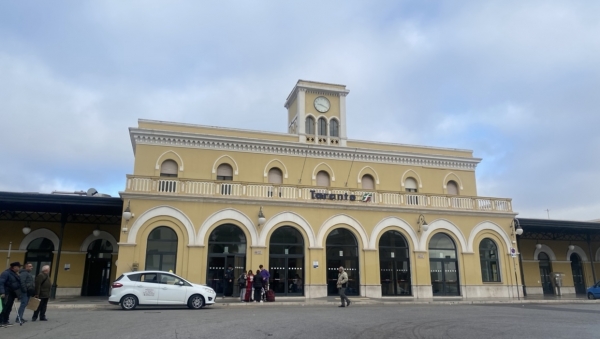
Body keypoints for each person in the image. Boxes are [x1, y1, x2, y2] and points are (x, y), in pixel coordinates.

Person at [0, 262, 25, 327]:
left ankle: (6, 320)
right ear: (14, 267)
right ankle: (1, 321)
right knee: (5, 307)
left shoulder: (15, 274)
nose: (19, 268)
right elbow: (1, 283)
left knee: (9, 308)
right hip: (6, 293)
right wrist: (2, 292)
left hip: (12, 293)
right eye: (18, 267)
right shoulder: (6, 273)